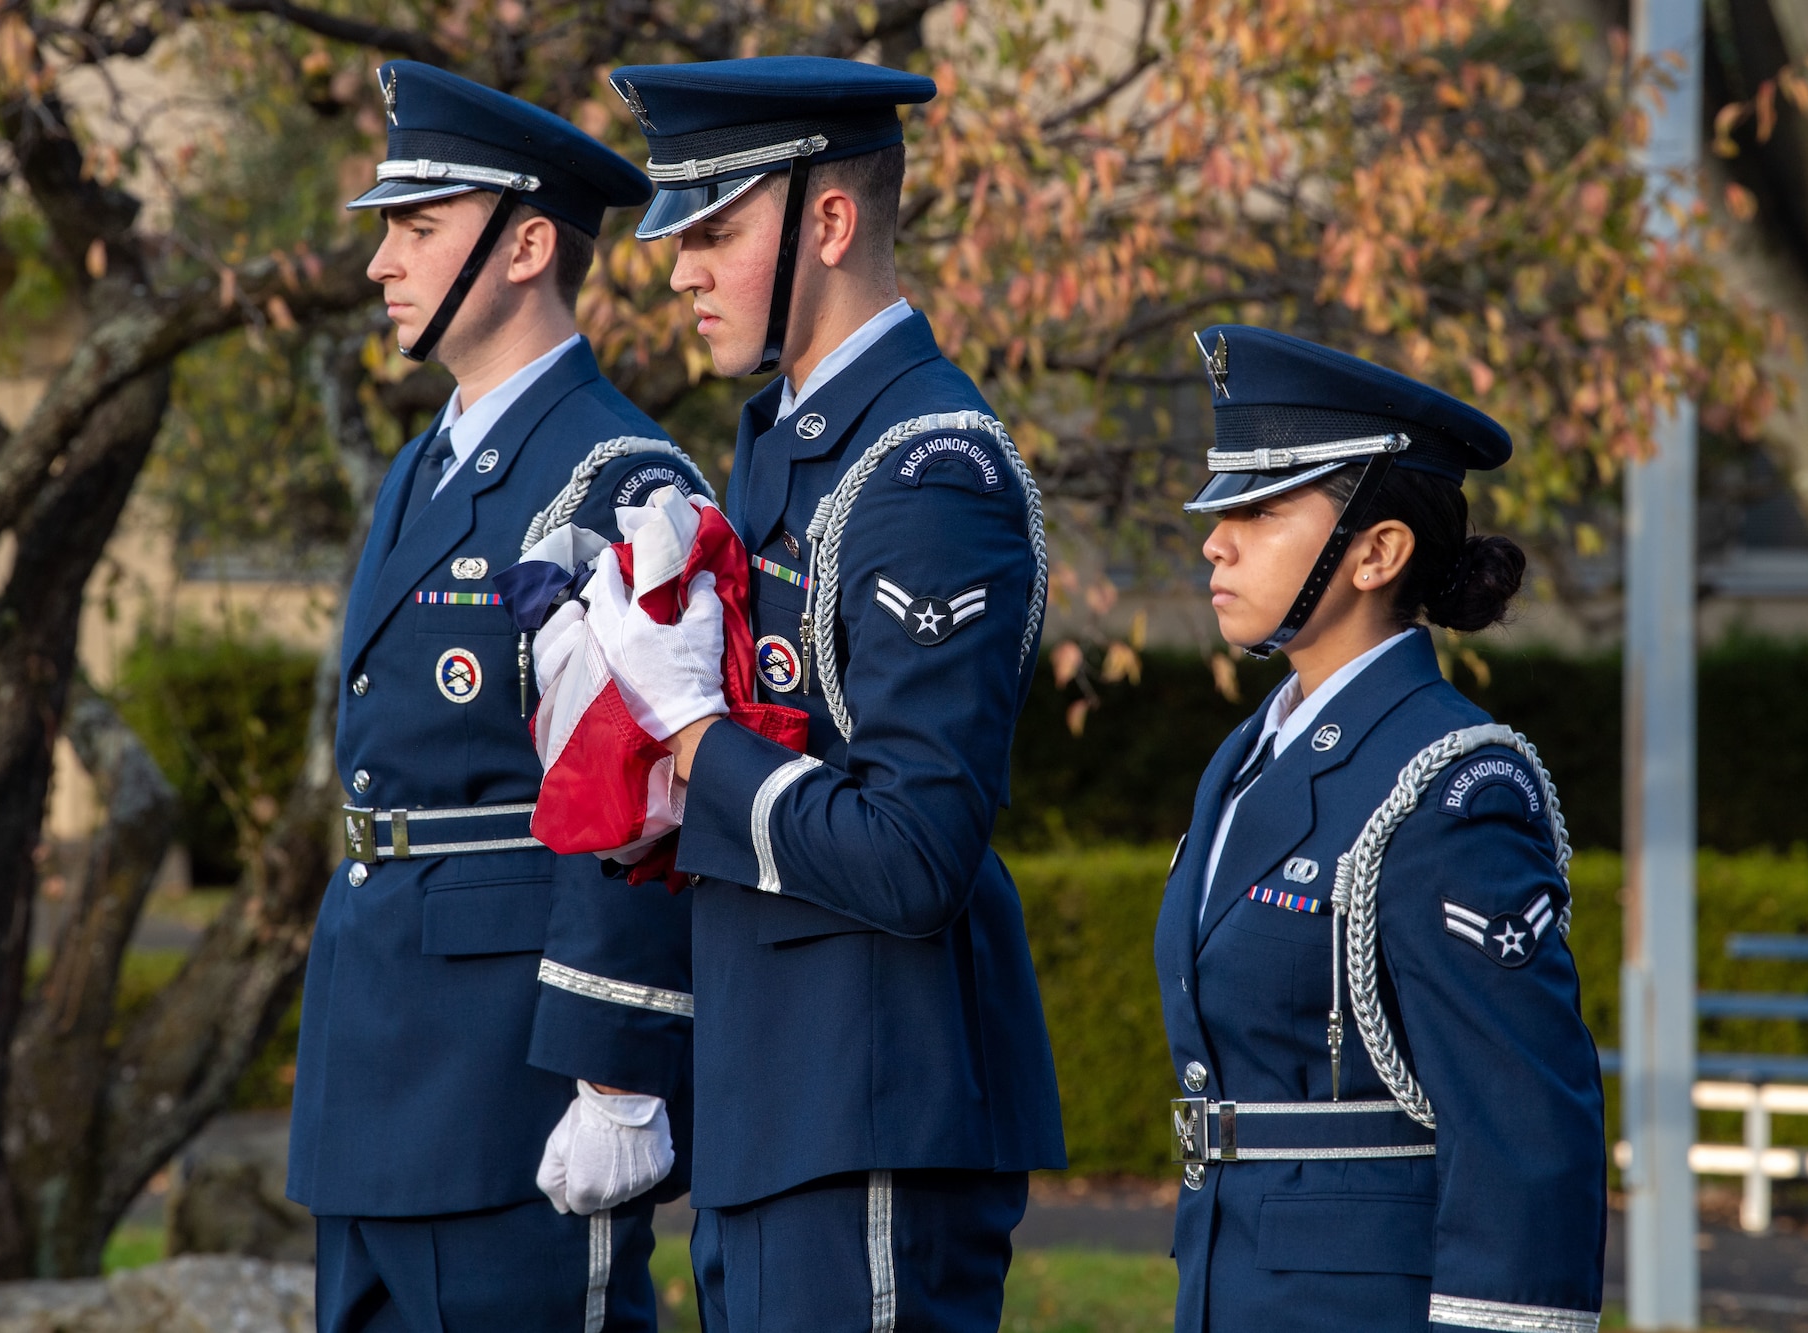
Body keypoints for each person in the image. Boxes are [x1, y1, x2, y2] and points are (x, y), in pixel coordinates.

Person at [584, 55, 1067, 1329]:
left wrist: (692, 730)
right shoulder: (790, 443)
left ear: (831, 221)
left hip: (868, 1097)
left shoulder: (925, 470)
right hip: (776, 1098)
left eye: (717, 230)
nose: (679, 266)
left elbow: (913, 854)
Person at [286, 61, 708, 1333]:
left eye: (418, 229)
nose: (382, 264)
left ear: (528, 245)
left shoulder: (615, 475)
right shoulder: (426, 463)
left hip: (508, 1072)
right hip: (376, 1044)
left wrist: (615, 1073)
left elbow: (647, 793)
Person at [1154, 325, 1607, 1332]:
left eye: (1258, 509)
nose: (1212, 539)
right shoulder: (1245, 757)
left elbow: (1523, 1135)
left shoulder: (1450, 782)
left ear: (1378, 552)